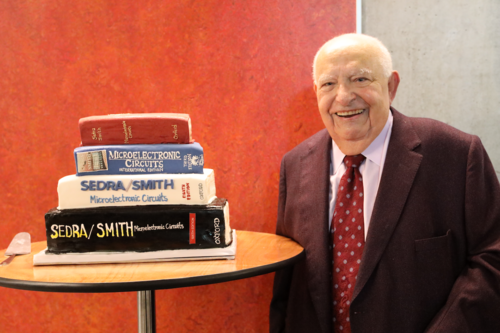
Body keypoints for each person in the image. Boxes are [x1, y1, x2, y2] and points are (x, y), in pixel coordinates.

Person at [270, 33, 500, 333]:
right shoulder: (295, 164)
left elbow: (492, 258)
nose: (343, 96)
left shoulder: (456, 154)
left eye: (360, 79)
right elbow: (289, 283)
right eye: (328, 84)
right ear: (316, 91)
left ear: (391, 86)